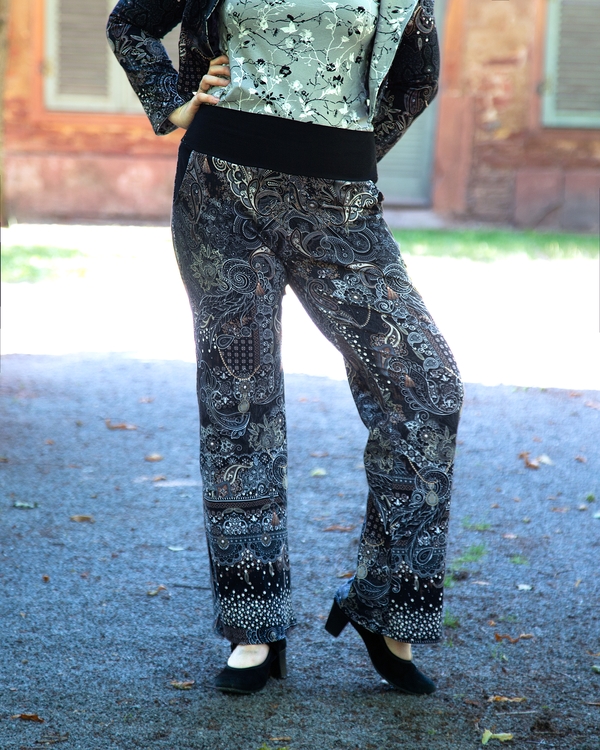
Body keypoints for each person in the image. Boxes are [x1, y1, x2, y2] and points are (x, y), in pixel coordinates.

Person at [107, 0, 463, 695]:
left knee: (428, 387)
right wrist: (175, 104)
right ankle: (253, 625)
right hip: (220, 191)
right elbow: (131, 22)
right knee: (240, 404)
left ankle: (384, 604)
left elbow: (416, 78)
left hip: (341, 204)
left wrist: (343, 156)